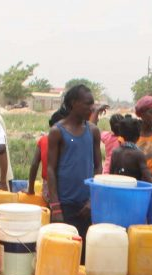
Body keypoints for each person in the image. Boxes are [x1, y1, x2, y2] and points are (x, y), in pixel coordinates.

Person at [47, 84, 102, 238]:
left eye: (92, 103)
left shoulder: (93, 131)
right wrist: (55, 207)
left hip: (86, 206)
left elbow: (98, 167)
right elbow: (50, 169)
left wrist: (93, 200)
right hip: (64, 205)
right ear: (73, 103)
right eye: (87, 103)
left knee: (84, 253)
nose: (91, 108)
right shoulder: (57, 132)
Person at [27, 109, 66, 198]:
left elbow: (34, 164)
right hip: (65, 187)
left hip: (48, 188)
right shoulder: (68, 142)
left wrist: (31, 189)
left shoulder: (43, 140)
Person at [110, 117, 152, 183]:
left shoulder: (115, 152)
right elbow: (148, 178)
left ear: (121, 134)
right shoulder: (139, 154)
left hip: (117, 189)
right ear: (138, 136)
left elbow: (111, 175)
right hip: (133, 191)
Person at [93, 107, 121, 174]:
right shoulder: (124, 139)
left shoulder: (106, 136)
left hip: (107, 169)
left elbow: (94, 127)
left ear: (111, 126)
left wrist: (97, 112)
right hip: (120, 171)